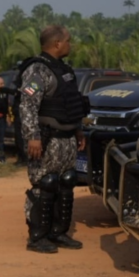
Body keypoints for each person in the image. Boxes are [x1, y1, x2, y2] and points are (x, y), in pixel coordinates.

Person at [18, 25, 89, 254]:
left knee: (67, 182)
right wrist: (33, 137)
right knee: (45, 184)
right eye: (68, 40)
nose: (70, 44)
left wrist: (78, 130)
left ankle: (58, 232)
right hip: (47, 140)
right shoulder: (38, 70)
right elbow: (27, 105)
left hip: (67, 138)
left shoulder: (65, 70)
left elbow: (71, 104)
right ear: (57, 43)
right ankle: (37, 237)